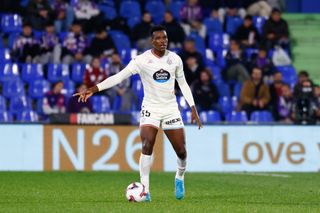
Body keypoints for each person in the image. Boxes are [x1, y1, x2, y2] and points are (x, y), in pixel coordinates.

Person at [73, 25, 202, 201]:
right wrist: (94, 89)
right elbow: (119, 77)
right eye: (158, 38)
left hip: (171, 109)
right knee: (147, 144)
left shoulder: (175, 59)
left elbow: (184, 84)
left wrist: (193, 107)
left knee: (181, 151)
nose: (162, 41)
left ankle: (179, 177)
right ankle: (145, 190)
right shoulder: (141, 60)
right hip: (150, 108)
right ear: (152, 41)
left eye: (164, 38)